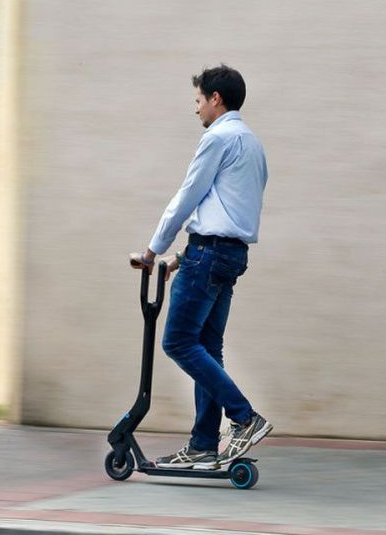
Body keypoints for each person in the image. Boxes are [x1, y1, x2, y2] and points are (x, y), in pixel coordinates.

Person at [129, 64, 272, 470]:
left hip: (209, 255)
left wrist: (154, 250)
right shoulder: (252, 143)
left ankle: (244, 417)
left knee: (178, 343)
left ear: (215, 99)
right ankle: (203, 444)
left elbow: (189, 196)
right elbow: (228, 205)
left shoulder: (218, 138)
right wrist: (181, 256)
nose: (196, 110)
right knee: (208, 347)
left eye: (198, 100)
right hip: (228, 256)